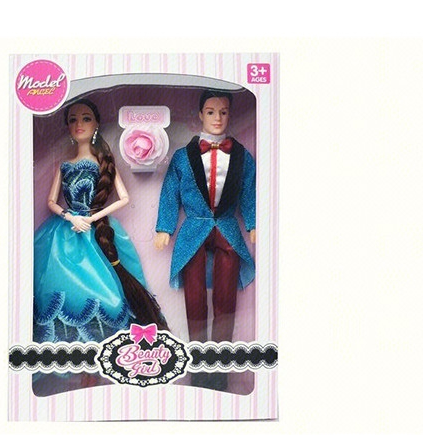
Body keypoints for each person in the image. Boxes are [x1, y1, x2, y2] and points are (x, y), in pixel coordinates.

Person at [33, 99, 165, 393]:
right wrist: (70, 216)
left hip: (97, 232)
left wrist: (92, 218)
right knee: (57, 292)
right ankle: (77, 366)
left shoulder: (103, 164)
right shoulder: (64, 166)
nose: (78, 124)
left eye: (86, 118)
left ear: (96, 125)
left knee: (108, 295)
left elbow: (124, 198)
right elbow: (52, 201)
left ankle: (100, 368)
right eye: (73, 119)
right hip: (64, 235)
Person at [154, 90, 256, 391]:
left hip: (227, 227)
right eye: (211, 112)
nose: (217, 118)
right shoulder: (182, 157)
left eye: (223, 112)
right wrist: (165, 227)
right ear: (200, 114)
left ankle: (220, 369)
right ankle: (198, 366)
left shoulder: (242, 156)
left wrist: (252, 223)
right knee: (194, 300)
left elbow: (249, 192)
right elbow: (170, 191)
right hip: (194, 228)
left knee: (226, 301)